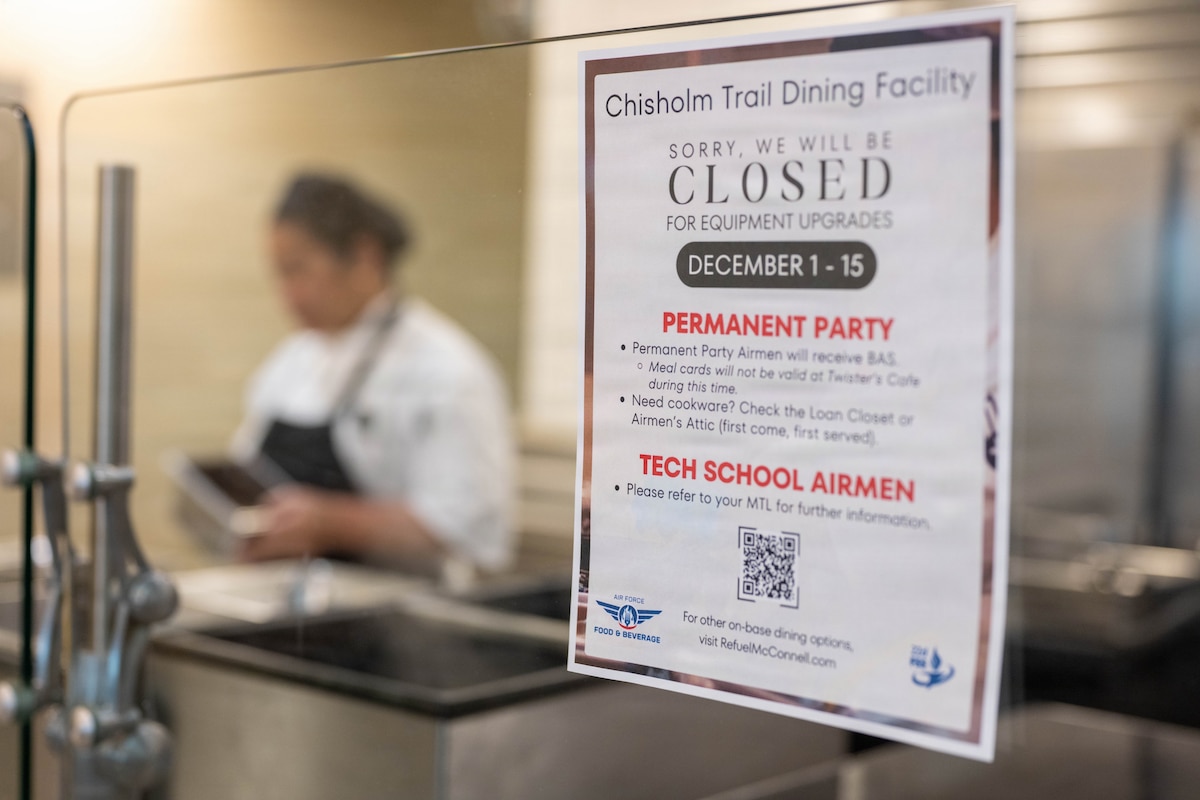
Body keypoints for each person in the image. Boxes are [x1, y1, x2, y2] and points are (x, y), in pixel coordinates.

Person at [230, 172, 514, 579]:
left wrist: (332, 523)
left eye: (297, 270)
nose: (286, 294)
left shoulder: (448, 370)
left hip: (402, 621)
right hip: (291, 607)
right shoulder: (288, 363)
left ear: (365, 257)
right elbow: (246, 473)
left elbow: (467, 528)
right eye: (278, 274)